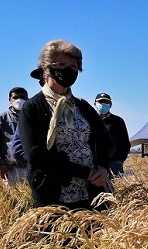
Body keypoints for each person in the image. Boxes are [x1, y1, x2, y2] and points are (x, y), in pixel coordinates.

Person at [20, 40, 110, 209]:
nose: (67, 69)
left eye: (73, 66)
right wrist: (85, 172)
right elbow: (36, 155)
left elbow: (102, 138)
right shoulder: (33, 108)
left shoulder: (83, 107)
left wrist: (103, 168)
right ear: (46, 68)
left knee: (91, 235)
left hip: (89, 195)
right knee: (55, 235)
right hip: (52, 195)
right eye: (61, 64)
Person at [0, 87, 29, 184]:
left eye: (22, 97)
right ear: (10, 100)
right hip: (11, 169)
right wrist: (0, 163)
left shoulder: (34, 118)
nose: (19, 100)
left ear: (28, 99)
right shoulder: (0, 119)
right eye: (15, 97)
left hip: (32, 168)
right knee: (12, 198)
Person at [94, 92, 131, 176]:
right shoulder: (90, 121)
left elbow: (125, 143)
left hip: (113, 164)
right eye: (100, 102)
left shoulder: (118, 121)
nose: (103, 104)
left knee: (115, 188)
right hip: (94, 165)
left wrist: (119, 161)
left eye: (106, 102)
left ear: (110, 105)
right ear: (95, 104)